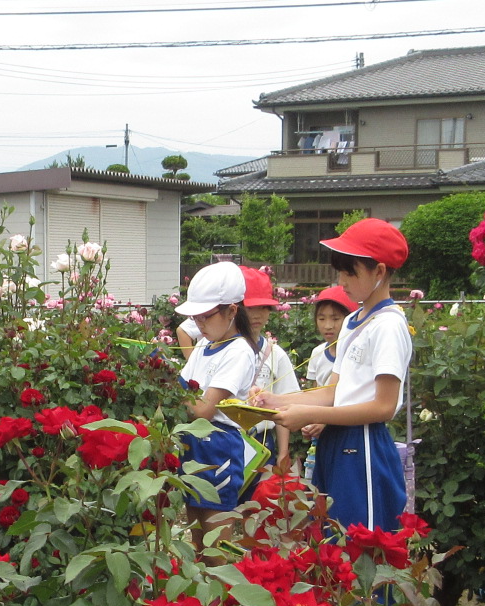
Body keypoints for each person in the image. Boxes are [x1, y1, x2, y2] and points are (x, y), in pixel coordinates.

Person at [255, 218, 411, 531]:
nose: (342, 281)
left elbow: (383, 406)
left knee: (359, 538)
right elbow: (334, 391)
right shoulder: (354, 320)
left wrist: (309, 413)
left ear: (379, 272)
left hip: (364, 444)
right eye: (340, 271)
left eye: (350, 272)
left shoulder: (388, 326)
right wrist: (276, 401)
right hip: (335, 440)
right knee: (328, 534)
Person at [174, 262, 258, 523]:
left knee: (215, 536)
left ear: (232, 310)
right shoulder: (204, 346)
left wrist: (169, 380)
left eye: (205, 316)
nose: (199, 324)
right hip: (193, 443)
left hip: (219, 447)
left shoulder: (238, 351)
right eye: (195, 318)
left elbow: (203, 410)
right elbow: (185, 392)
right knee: (195, 534)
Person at [239, 266, 300, 473]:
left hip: (262, 444)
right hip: (226, 439)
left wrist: (283, 453)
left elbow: (285, 404)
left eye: (264, 308)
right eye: (250, 308)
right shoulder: (222, 350)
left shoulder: (275, 354)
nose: (257, 315)